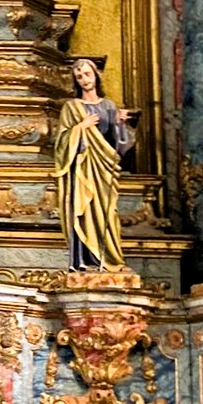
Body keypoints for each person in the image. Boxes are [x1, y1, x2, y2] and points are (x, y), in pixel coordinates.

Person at [53, 58, 132, 272]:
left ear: (96, 75)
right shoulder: (71, 107)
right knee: (83, 210)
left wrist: (120, 124)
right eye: (79, 77)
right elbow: (60, 143)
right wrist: (81, 127)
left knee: (107, 213)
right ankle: (83, 260)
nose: (84, 80)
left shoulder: (109, 106)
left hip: (104, 168)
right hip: (82, 168)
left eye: (87, 74)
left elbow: (118, 145)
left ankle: (108, 258)